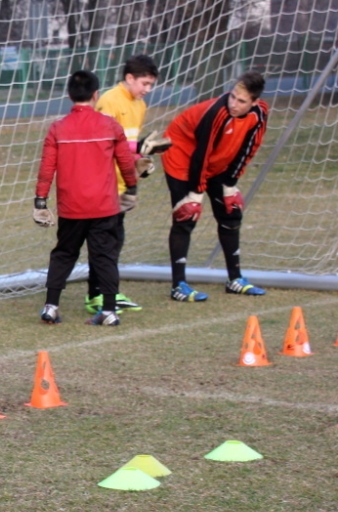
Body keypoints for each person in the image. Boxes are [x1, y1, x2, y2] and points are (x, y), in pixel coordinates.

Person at [33, 70, 139, 326]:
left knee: (64, 254)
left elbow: (47, 167)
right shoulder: (110, 125)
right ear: (96, 95)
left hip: (71, 207)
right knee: (105, 256)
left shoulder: (58, 128)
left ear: (69, 95)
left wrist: (40, 200)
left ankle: (51, 306)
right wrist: (132, 188)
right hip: (104, 206)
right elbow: (126, 161)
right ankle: (109, 311)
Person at [160, 70, 270, 301]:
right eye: (232, 96)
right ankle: (178, 285)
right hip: (181, 155)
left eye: (241, 101)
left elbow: (249, 149)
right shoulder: (216, 113)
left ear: (254, 102)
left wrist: (230, 184)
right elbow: (201, 153)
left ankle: (235, 279)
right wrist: (195, 193)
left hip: (216, 161)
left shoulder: (259, 113)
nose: (234, 104)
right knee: (185, 216)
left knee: (231, 214)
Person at [87, 53, 169, 315]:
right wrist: (139, 145)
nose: (147, 90)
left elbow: (126, 147)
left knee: (115, 239)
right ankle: (95, 295)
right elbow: (102, 142)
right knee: (103, 241)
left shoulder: (140, 106)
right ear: (129, 78)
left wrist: (140, 162)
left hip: (122, 182)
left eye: (150, 85)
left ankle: (109, 290)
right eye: (144, 83)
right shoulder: (110, 100)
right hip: (102, 182)